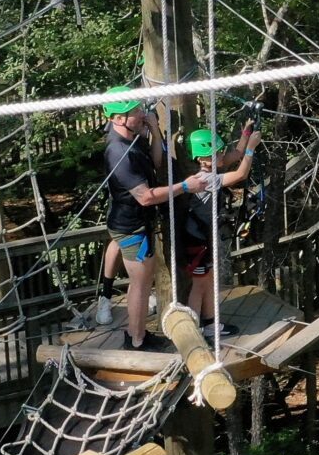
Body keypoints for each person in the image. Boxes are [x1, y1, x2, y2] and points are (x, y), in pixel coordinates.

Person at [99, 89, 213, 350]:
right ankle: (137, 340)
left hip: (135, 223)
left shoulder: (131, 139)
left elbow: (157, 162)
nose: (142, 113)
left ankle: (136, 335)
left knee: (141, 281)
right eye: (136, 111)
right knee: (140, 284)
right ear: (118, 118)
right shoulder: (118, 153)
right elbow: (146, 197)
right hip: (132, 227)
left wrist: (154, 129)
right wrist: (185, 186)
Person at [174, 122, 261, 334]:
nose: (223, 155)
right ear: (204, 158)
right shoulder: (205, 179)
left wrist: (246, 133)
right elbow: (240, 174)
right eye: (218, 152)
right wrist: (252, 148)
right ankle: (194, 330)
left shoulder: (206, 169)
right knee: (200, 285)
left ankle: (211, 323)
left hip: (203, 236)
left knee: (209, 281)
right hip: (197, 239)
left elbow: (236, 154)